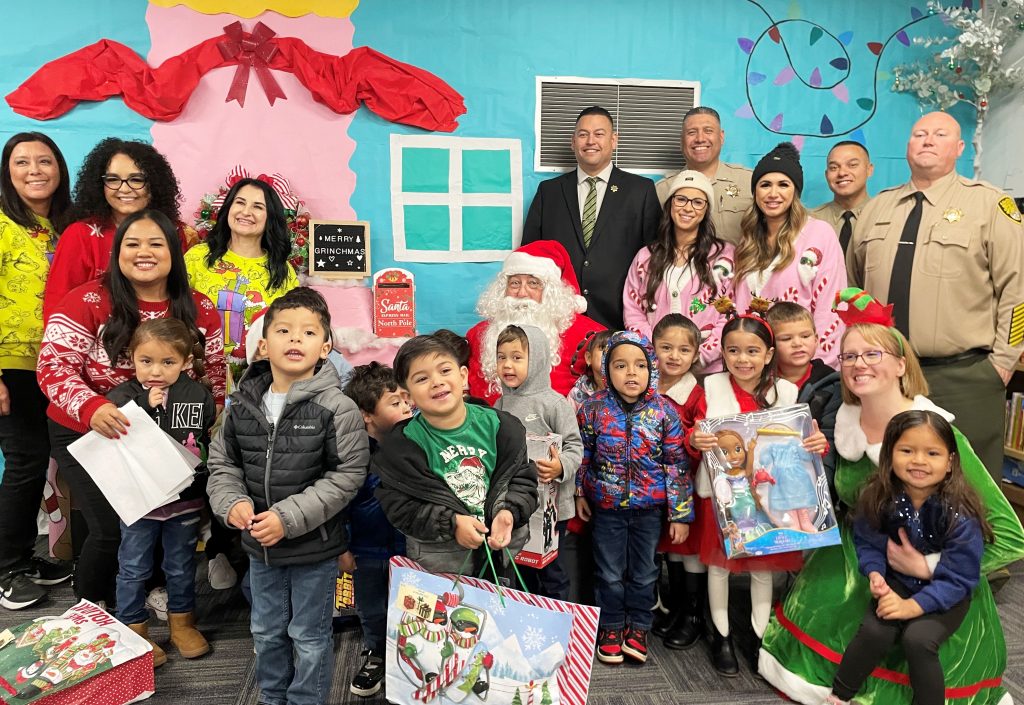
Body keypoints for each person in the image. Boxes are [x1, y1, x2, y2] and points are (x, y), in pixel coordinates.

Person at [759, 288, 1024, 705]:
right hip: (852, 570)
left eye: (872, 354)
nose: (858, 364)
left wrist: (930, 565)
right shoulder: (841, 421)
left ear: (901, 363)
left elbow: (1010, 535)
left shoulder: (934, 436)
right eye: (849, 356)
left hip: (931, 587)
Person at [37, 209, 225, 608]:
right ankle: (91, 610)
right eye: (132, 243)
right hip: (88, 429)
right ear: (117, 251)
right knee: (113, 527)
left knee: (170, 520)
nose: (144, 252)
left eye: (156, 243)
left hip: (167, 432)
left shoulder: (199, 307)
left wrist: (212, 425)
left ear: (174, 252)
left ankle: (149, 595)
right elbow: (53, 366)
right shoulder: (87, 299)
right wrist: (92, 408)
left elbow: (214, 375)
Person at [207, 287, 368, 705]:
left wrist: (288, 518)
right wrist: (231, 503)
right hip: (259, 548)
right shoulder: (241, 404)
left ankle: (305, 701)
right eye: (284, 330)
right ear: (264, 343)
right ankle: (271, 697)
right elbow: (222, 463)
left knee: (309, 636)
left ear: (326, 346)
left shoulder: (338, 408)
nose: (295, 339)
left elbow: (347, 475)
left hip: (313, 548)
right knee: (265, 631)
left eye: (308, 332)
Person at [848, 111, 1024, 479]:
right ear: (907, 146)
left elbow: (1017, 290)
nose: (927, 140)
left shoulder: (990, 205)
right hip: (886, 376)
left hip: (964, 375)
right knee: (884, 482)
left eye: (940, 134)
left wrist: (1003, 362)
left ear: (959, 148)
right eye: (919, 134)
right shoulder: (877, 208)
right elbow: (854, 288)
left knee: (970, 488)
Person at [688, 299, 827, 676]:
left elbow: (801, 442)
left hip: (770, 494)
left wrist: (816, 444)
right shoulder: (711, 387)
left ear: (769, 355)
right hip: (723, 495)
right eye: (733, 350)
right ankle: (722, 636)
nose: (742, 359)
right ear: (723, 352)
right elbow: (693, 429)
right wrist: (695, 440)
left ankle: (759, 636)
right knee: (719, 565)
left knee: (764, 566)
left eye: (752, 351)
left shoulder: (787, 393)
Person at [824, 410, 991, 705]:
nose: (918, 461)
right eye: (907, 450)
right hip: (897, 581)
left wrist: (910, 607)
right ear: (890, 454)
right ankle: (839, 696)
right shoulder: (879, 496)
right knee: (874, 632)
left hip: (946, 592)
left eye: (932, 453)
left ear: (950, 462)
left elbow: (960, 578)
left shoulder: (960, 514)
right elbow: (868, 541)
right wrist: (875, 574)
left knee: (919, 640)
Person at [372, 335, 538, 576]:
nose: (436, 382)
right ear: (408, 395)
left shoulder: (502, 429)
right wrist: (451, 524)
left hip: (500, 559)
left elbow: (523, 481)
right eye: (422, 378)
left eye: (444, 370)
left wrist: (508, 512)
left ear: (462, 376)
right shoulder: (402, 447)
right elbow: (399, 508)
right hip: (438, 569)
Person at [576, 330, 693, 666]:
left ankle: (639, 626)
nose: (630, 373)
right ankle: (611, 626)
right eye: (621, 365)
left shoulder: (664, 413)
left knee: (644, 573)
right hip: (607, 508)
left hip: (649, 511)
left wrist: (680, 515)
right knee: (609, 571)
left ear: (651, 369)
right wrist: (580, 491)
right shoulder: (593, 408)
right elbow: (583, 454)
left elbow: (676, 465)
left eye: (639, 365)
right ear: (606, 369)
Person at [106, 319, 215, 667]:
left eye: (167, 362)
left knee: (181, 566)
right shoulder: (122, 396)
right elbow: (116, 440)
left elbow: (202, 438)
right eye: (146, 361)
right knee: (133, 566)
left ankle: (182, 623)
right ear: (132, 359)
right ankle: (133, 629)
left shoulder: (197, 395)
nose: (156, 371)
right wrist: (144, 406)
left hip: (183, 500)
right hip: (139, 503)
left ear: (185, 362)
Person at [0, 131, 73, 610]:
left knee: (60, 463)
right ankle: (8, 569)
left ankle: (37, 557)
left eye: (44, 161)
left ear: (60, 169)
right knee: (25, 463)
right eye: (22, 162)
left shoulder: (68, 227)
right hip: (16, 365)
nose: (34, 170)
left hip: (64, 363)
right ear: (7, 172)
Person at [522, 106, 661, 329]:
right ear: (573, 142)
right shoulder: (549, 192)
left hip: (621, 318)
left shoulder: (640, 190)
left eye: (599, 134)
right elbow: (530, 255)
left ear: (614, 140)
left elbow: (654, 258)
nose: (590, 141)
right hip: (558, 320)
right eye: (583, 134)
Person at [732, 142, 846, 367]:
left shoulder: (819, 234)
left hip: (805, 366)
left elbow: (830, 308)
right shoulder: (749, 241)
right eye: (765, 185)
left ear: (795, 191)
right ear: (755, 191)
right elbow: (740, 310)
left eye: (783, 184)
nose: (773, 193)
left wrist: (817, 367)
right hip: (756, 367)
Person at [43, 138, 182, 320]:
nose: (124, 189)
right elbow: (57, 304)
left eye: (136, 179)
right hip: (93, 342)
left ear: (154, 184)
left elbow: (183, 295)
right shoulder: (80, 234)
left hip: (164, 342)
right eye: (113, 179)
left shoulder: (176, 232)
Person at [493, 324, 583, 600]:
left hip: (551, 508)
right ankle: (527, 623)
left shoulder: (554, 404)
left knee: (552, 571)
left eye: (517, 357)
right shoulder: (499, 405)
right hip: (514, 506)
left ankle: (558, 623)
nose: (508, 365)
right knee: (519, 569)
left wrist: (560, 466)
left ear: (539, 359)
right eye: (501, 357)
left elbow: (575, 446)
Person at [340, 362, 411, 698]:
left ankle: (410, 657)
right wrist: (342, 547)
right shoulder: (350, 456)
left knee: (411, 606)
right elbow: (339, 504)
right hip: (366, 550)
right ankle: (376, 654)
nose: (406, 407)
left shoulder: (414, 445)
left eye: (406, 400)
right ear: (367, 414)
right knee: (372, 607)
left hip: (409, 549)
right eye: (394, 403)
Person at [624, 169, 734, 372]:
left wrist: (699, 356)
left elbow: (730, 313)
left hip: (708, 371)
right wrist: (656, 352)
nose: (688, 208)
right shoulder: (646, 257)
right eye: (681, 199)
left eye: (697, 202)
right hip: (655, 370)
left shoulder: (724, 257)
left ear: (706, 209)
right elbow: (633, 311)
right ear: (670, 205)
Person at [467, 239, 604, 403]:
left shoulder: (589, 334)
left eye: (533, 283)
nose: (522, 292)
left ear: (551, 292)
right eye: (515, 283)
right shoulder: (477, 335)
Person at [185, 177, 300, 371]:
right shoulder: (198, 257)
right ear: (228, 208)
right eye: (240, 202)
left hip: (259, 379)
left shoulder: (282, 270)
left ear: (270, 217)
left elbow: (291, 329)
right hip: (199, 374)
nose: (246, 212)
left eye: (258, 206)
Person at [647, 315, 707, 650]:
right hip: (652, 485)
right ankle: (673, 607)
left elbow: (700, 437)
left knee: (688, 550)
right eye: (666, 347)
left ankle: (692, 615)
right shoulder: (643, 384)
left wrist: (692, 441)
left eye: (684, 349)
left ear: (696, 353)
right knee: (667, 548)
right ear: (653, 348)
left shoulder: (696, 394)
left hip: (685, 486)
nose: (674, 356)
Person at [766, 301, 841, 493]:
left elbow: (830, 440)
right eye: (786, 338)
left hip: (812, 483)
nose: (797, 343)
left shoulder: (832, 385)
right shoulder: (759, 383)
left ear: (816, 339)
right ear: (771, 346)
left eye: (805, 336)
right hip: (767, 479)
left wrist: (822, 491)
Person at [655, 106, 754, 244]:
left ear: (721, 136)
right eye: (691, 132)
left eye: (708, 131)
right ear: (681, 140)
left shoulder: (750, 182)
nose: (700, 138)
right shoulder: (661, 190)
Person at [809, 141, 874, 253]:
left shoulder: (884, 216)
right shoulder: (810, 220)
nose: (842, 173)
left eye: (852, 165)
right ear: (826, 175)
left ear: (869, 169)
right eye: (834, 168)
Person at [566, 329, 612, 413]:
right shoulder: (577, 394)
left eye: (614, 350)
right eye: (603, 348)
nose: (609, 353)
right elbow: (566, 423)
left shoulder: (629, 390)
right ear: (589, 358)